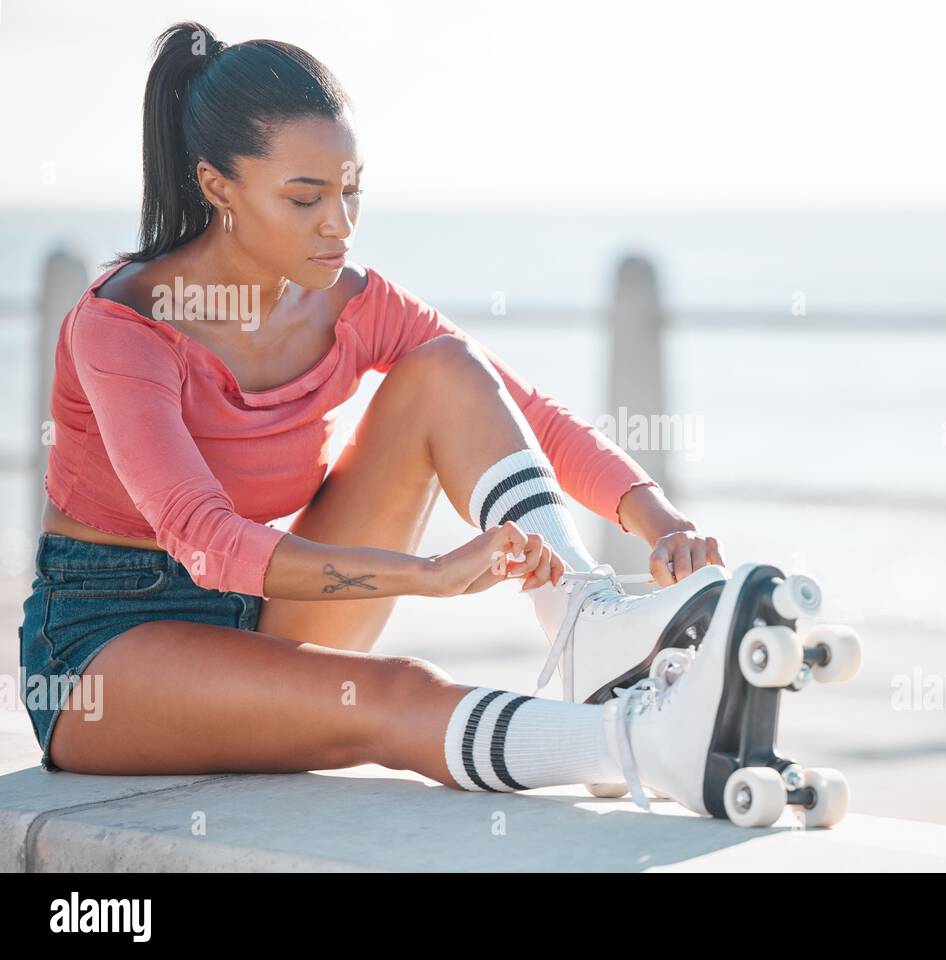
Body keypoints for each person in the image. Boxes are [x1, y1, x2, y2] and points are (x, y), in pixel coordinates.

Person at [17, 21, 736, 815]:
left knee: (447, 369)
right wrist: (425, 577)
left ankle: (584, 624)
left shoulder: (352, 303)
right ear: (217, 186)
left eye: (351, 189)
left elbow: (523, 410)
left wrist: (657, 518)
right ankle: (644, 746)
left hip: (271, 603)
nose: (340, 223)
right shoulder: (124, 326)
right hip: (108, 647)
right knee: (391, 693)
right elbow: (208, 543)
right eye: (305, 196)